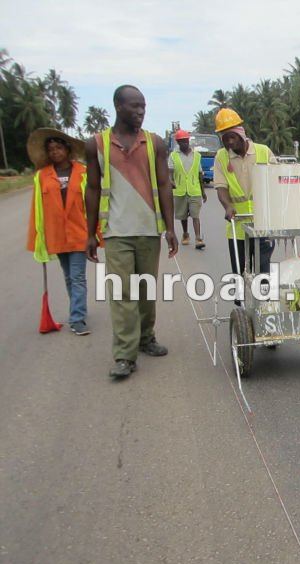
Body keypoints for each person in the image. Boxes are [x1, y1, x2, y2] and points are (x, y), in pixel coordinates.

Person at [84, 85, 178, 379]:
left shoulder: (155, 144)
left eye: (143, 106)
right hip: (116, 232)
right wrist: (91, 233)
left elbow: (164, 185)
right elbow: (93, 188)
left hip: (149, 230)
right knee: (122, 293)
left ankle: (146, 338)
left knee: (145, 290)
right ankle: (125, 354)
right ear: (117, 106)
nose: (140, 112)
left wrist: (171, 227)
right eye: (134, 106)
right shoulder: (96, 144)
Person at [26, 128, 97, 335]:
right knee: (68, 276)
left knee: (77, 277)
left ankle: (77, 318)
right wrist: (39, 236)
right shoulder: (42, 176)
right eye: (51, 149)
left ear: (67, 149)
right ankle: (77, 308)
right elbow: (37, 208)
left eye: (58, 147)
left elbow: (92, 204)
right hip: (56, 234)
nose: (55, 152)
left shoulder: (82, 172)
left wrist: (95, 231)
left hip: (79, 232)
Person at [212, 108, 277, 285]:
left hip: (263, 222)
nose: (230, 143)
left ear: (241, 133)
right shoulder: (221, 157)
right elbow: (220, 186)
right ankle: (243, 306)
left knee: (262, 269)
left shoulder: (263, 152)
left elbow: (276, 183)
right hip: (237, 224)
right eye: (225, 139)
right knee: (240, 271)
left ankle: (262, 304)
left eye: (232, 137)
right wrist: (228, 206)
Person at [168, 129, 207, 249]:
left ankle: (198, 238)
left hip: (194, 190)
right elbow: (170, 171)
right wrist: (171, 181)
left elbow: (200, 174)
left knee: (195, 215)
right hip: (180, 191)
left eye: (185, 141)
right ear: (178, 142)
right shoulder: (173, 156)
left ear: (188, 140)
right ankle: (185, 234)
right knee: (183, 216)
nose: (183, 143)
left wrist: (203, 192)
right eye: (181, 141)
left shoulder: (197, 156)